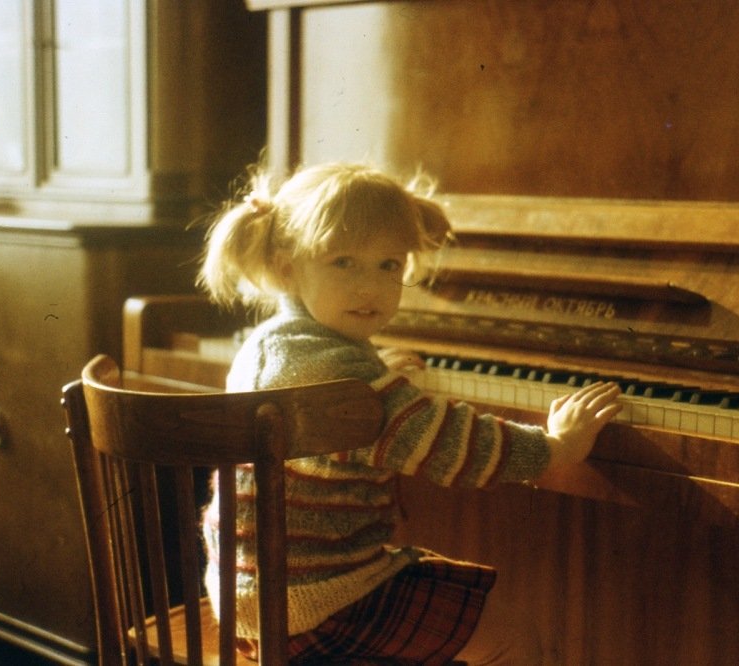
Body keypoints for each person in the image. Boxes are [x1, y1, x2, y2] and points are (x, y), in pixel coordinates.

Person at [197, 162, 622, 664]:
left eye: (389, 266)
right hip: (318, 605)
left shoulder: (274, 346)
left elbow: (357, 407)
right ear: (288, 266)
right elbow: (448, 442)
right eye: (343, 263)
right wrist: (554, 448)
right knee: (511, 634)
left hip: (257, 593)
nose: (369, 288)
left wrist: (375, 374)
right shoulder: (341, 381)